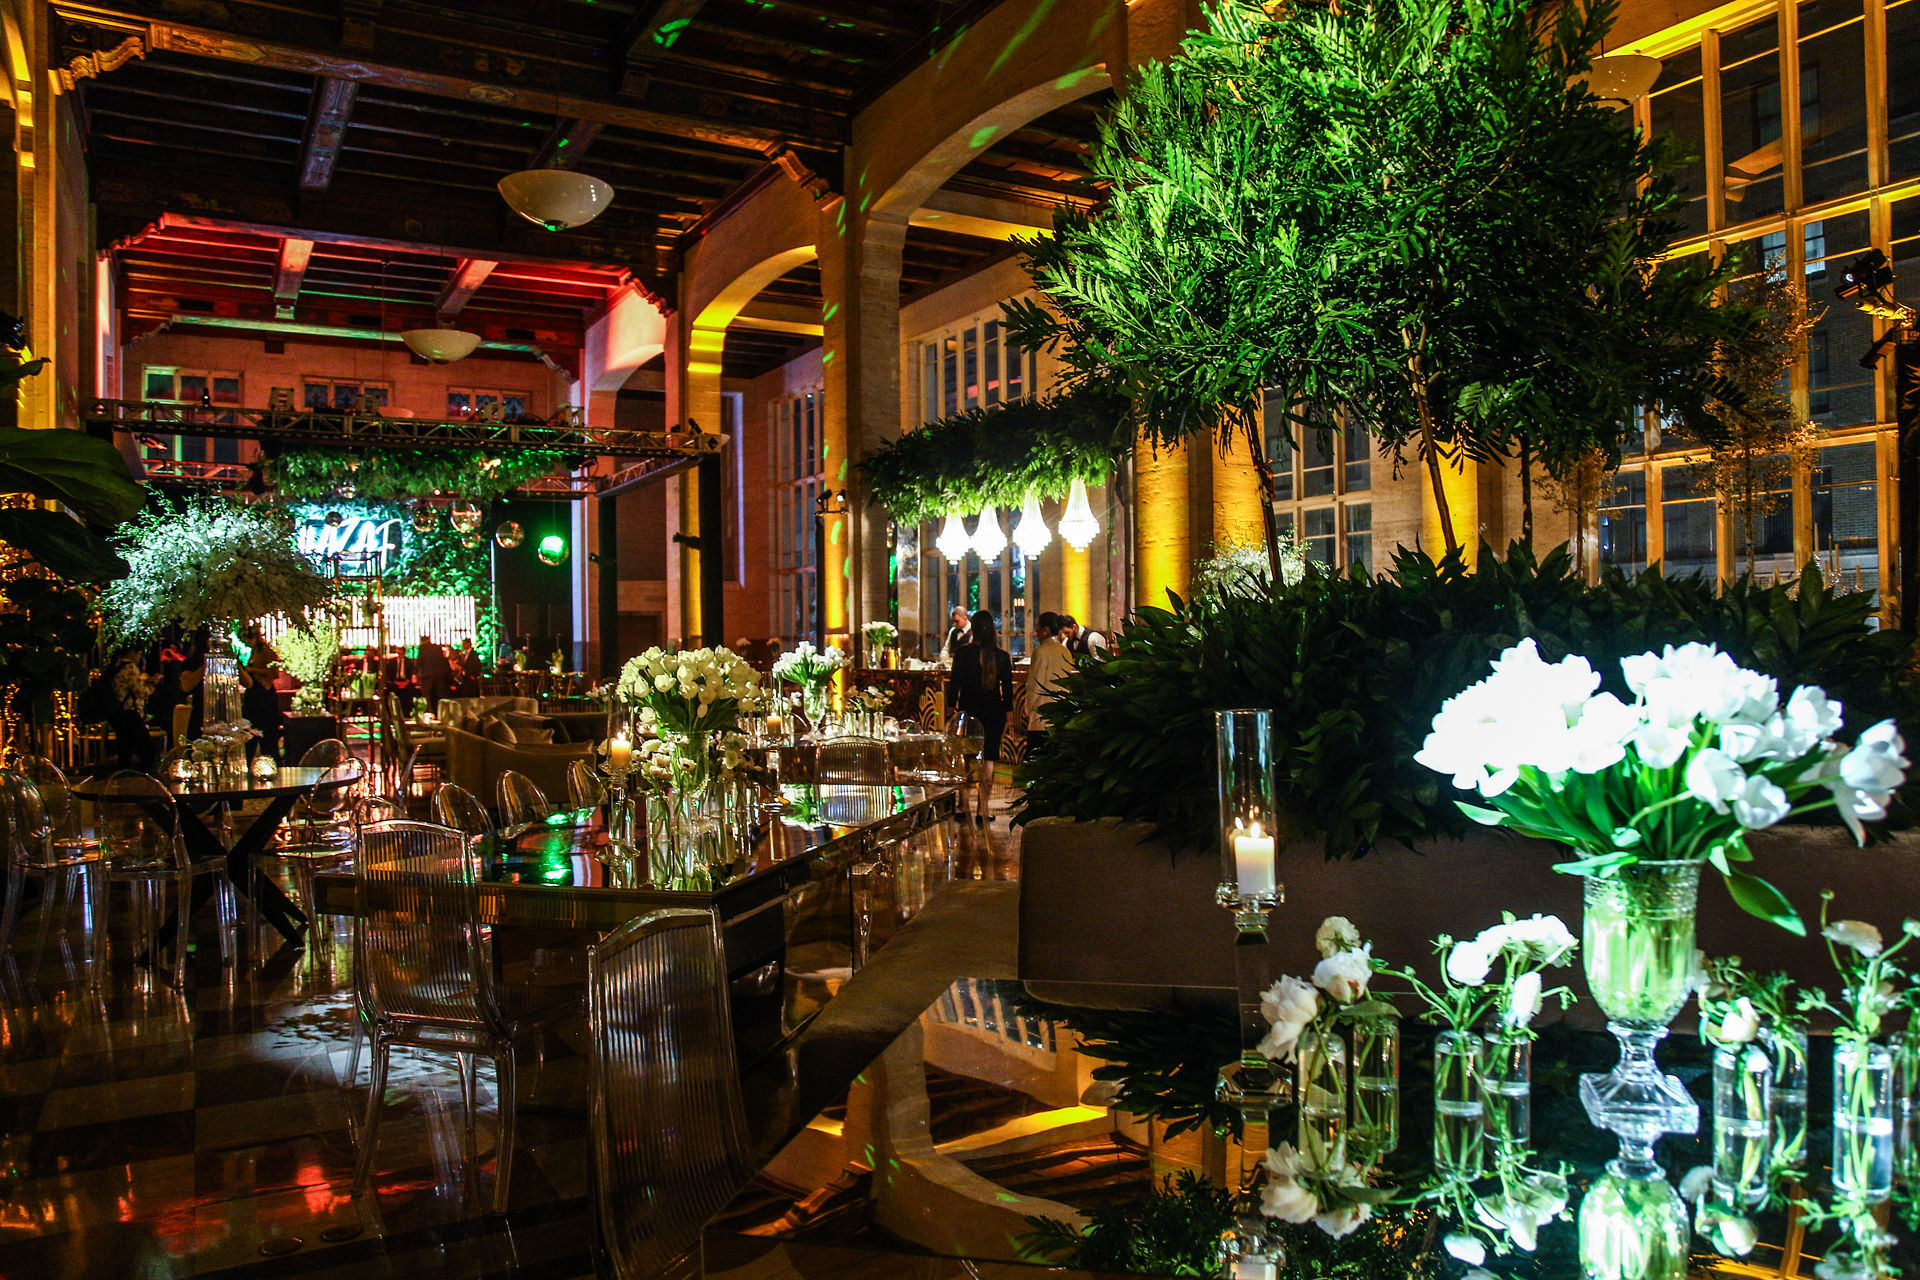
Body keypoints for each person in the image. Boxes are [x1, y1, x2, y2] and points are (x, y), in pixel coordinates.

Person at [948, 609, 1012, 827]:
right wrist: (1009, 715)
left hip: (968, 710)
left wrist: (951, 707)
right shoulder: (1002, 657)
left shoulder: (963, 653)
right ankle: (983, 808)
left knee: (966, 757)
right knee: (989, 758)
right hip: (994, 711)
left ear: (973, 629)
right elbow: (1008, 691)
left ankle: (963, 806)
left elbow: (954, 683)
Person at [1024, 612, 1076, 758]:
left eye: (1038, 628)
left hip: (1041, 715)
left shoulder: (1040, 651)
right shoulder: (1065, 651)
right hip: (1060, 715)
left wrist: (1028, 709)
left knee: (1035, 759)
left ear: (1046, 630)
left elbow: (1035, 684)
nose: (1036, 632)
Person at [238, 623, 286, 758]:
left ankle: (269, 759)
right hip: (254, 695)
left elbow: (273, 672)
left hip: (264, 696)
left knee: (267, 733)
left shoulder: (266, 651)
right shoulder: (254, 651)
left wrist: (253, 670)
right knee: (250, 731)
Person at [415, 633, 453, 714]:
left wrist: (414, 673)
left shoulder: (423, 647)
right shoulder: (437, 647)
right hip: (440, 676)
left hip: (428, 675)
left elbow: (420, 661)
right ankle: (444, 713)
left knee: (427, 695)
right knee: (440, 695)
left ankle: (429, 713)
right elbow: (444, 662)